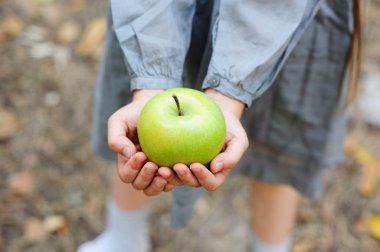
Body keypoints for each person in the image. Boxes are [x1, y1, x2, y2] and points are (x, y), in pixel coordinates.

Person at [78, 0, 361, 251]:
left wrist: (230, 91)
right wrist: (151, 78)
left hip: (282, 19)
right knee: (138, 139)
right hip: (152, 17)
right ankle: (124, 238)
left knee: (277, 143)